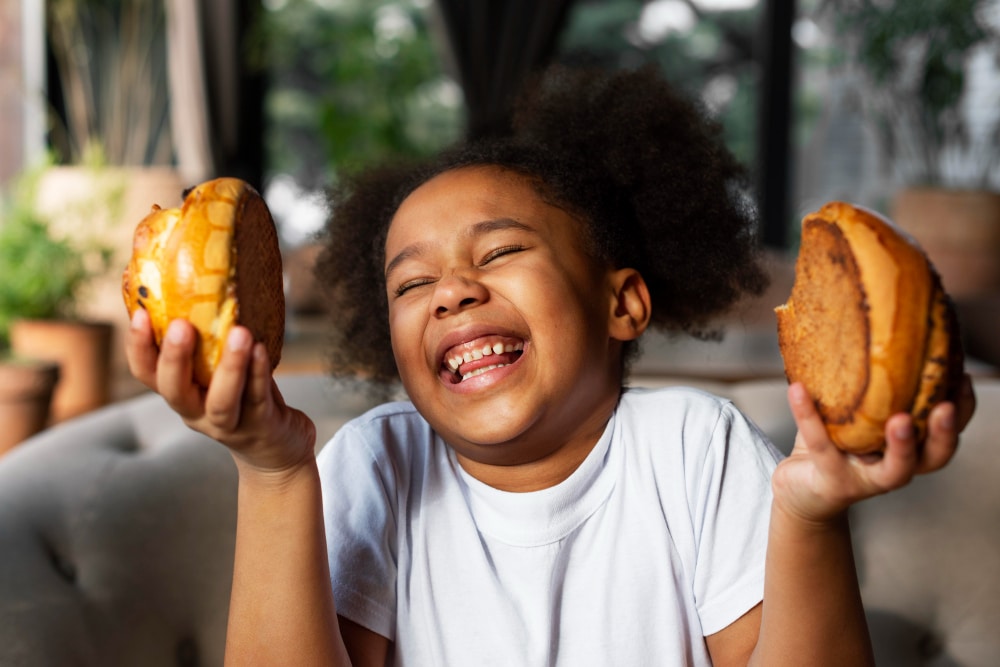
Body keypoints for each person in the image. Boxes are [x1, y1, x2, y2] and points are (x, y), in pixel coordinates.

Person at [125, 65, 975, 666]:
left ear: (622, 303)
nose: (451, 291)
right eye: (412, 282)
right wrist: (274, 475)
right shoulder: (375, 462)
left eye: (498, 253)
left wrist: (811, 518)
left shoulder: (694, 448)